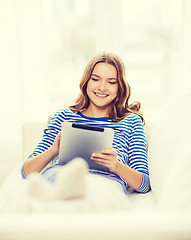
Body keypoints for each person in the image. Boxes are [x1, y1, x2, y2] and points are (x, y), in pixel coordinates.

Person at [21, 52, 150, 201]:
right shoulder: (63, 116)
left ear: (120, 86)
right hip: (60, 177)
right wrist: (53, 150)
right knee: (56, 178)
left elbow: (144, 184)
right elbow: (26, 172)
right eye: (95, 79)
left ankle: (67, 198)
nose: (102, 87)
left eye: (111, 82)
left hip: (105, 183)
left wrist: (116, 166)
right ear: (86, 81)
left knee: (97, 193)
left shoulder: (132, 121)